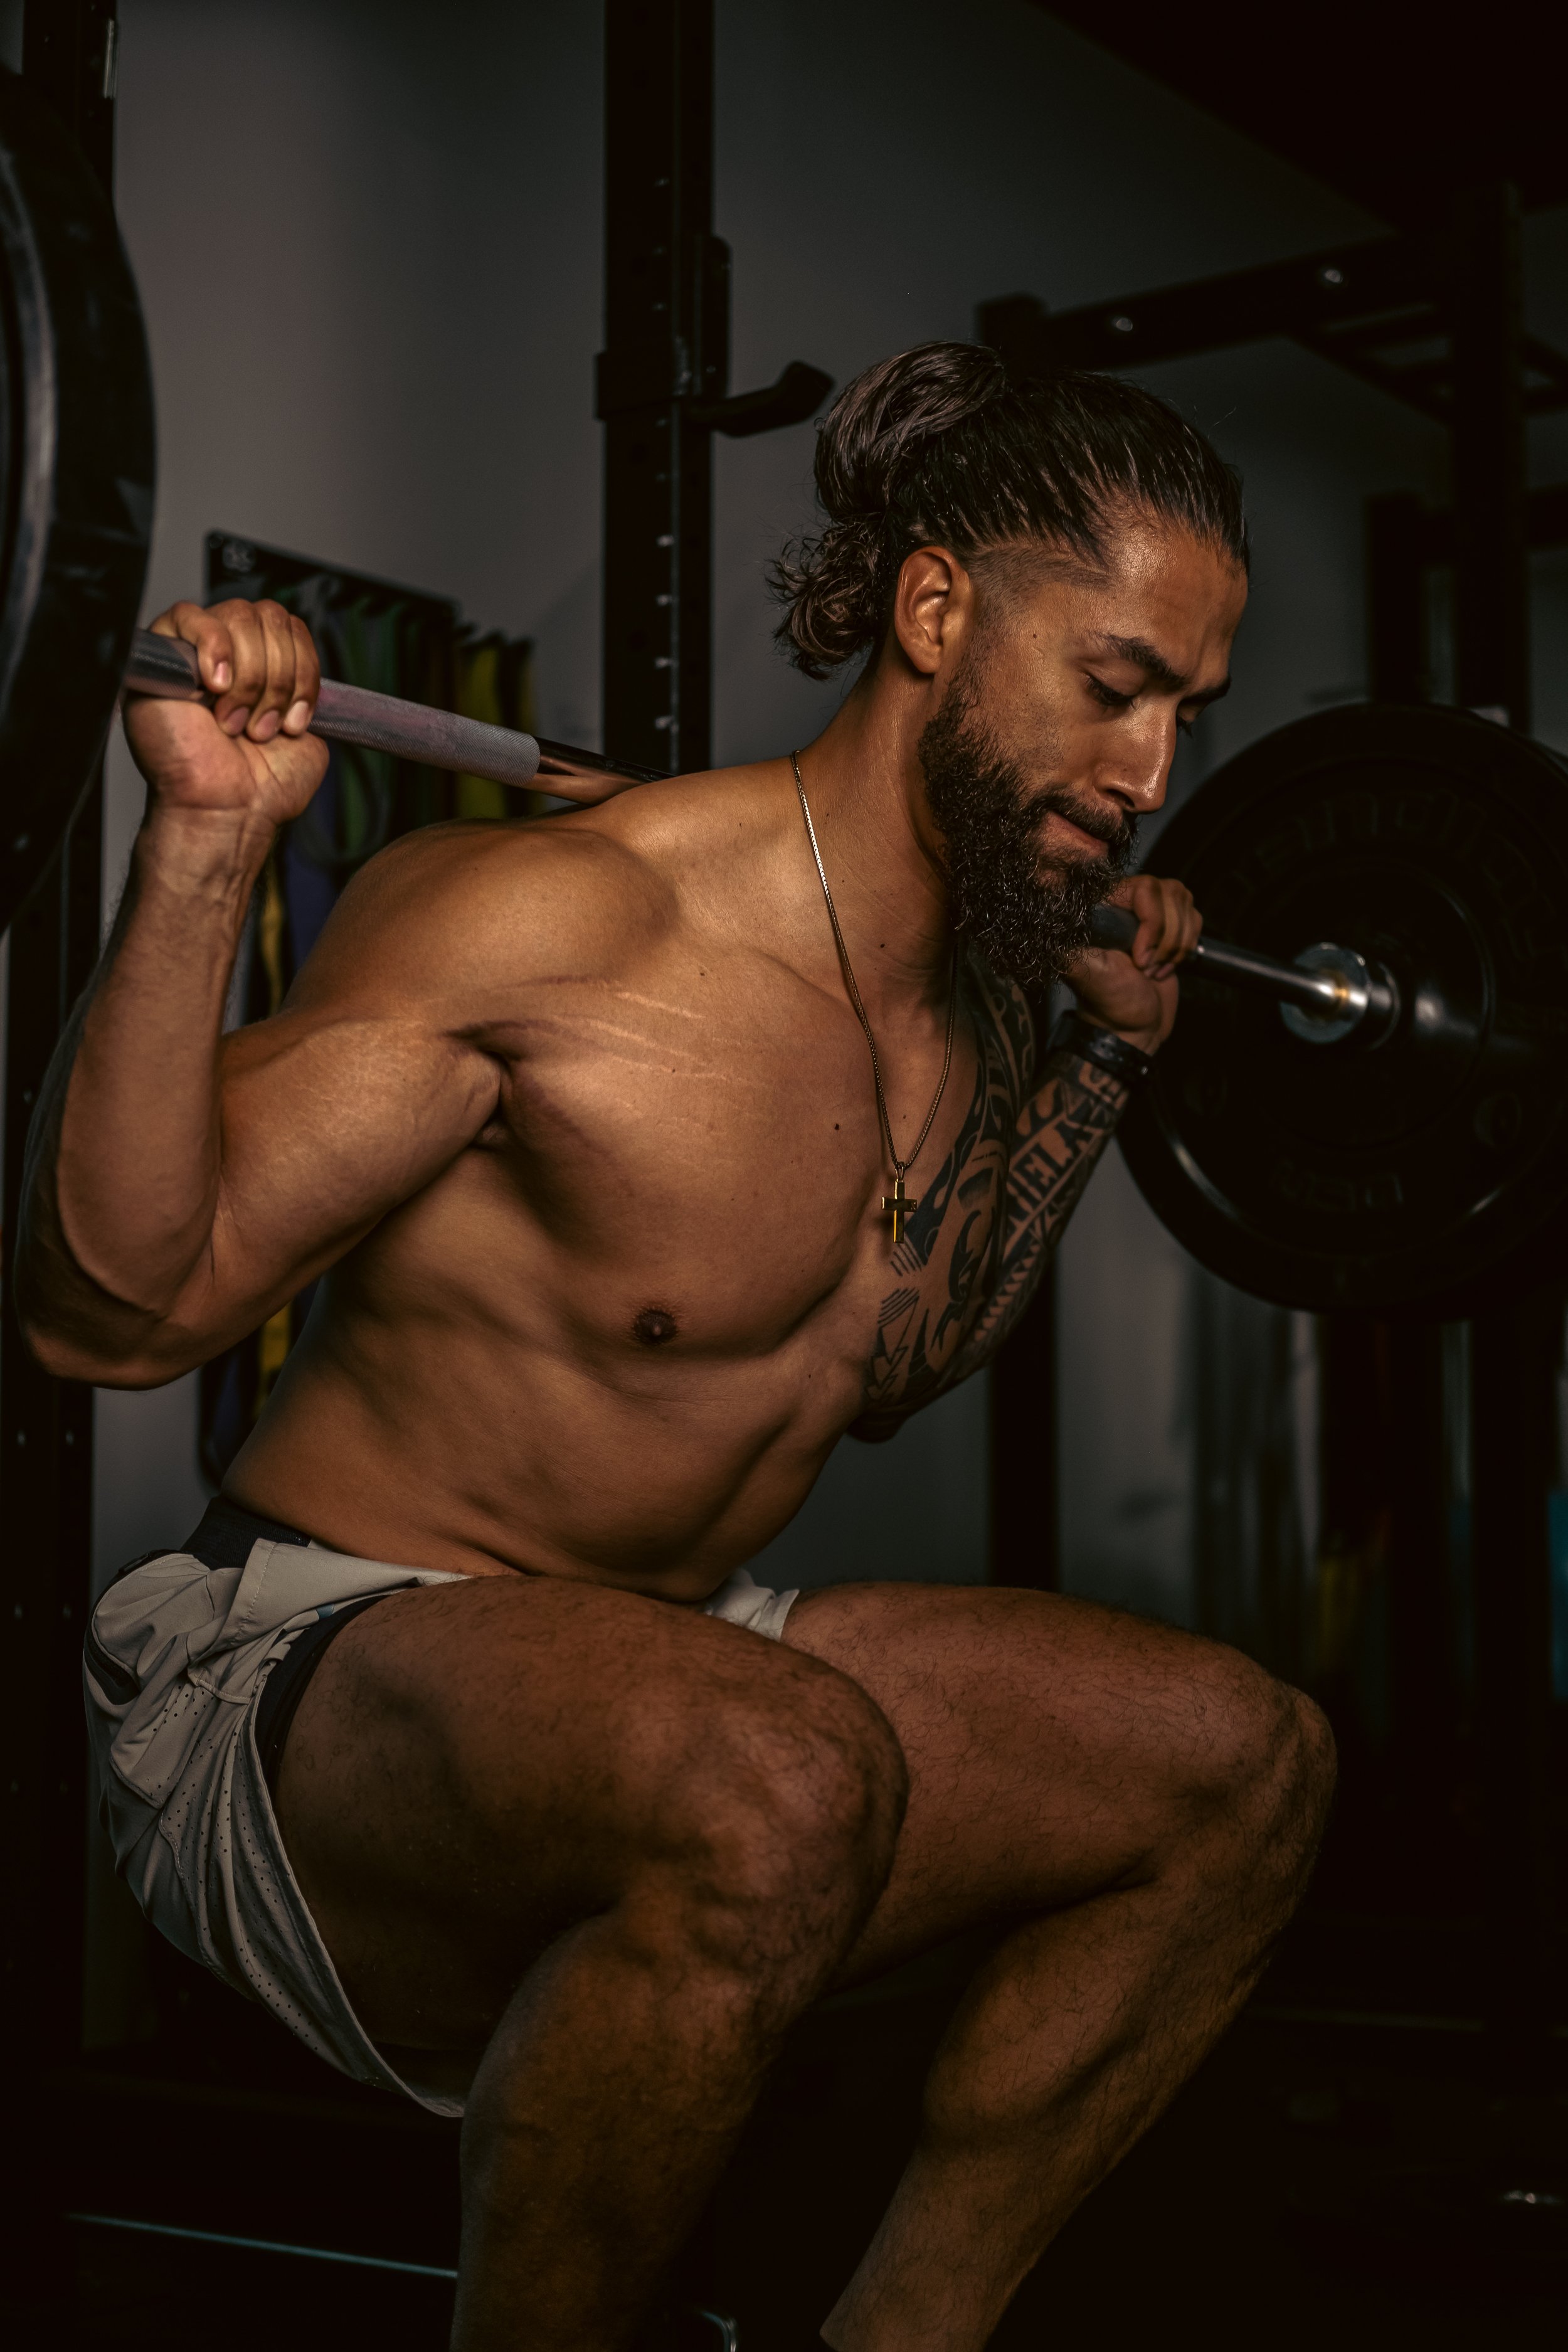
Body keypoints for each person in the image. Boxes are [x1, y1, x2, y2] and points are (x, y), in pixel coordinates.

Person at [30, 343, 1334, 2352]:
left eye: (1183, 712)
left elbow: (886, 1362)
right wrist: (204, 847)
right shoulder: (569, 923)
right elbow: (111, 1311)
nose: (1151, 775)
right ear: (931, 611)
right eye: (1114, 685)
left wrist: (1087, 1077)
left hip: (680, 1668)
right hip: (297, 1681)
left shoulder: (980, 1006)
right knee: (775, 1776)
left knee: (1241, 1764)